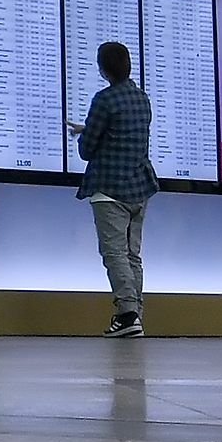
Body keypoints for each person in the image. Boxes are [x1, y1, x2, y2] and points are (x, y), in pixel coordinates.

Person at [72, 40, 155, 338]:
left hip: (109, 188)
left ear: (103, 69)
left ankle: (128, 313)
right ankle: (135, 316)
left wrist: (85, 133)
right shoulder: (142, 98)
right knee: (133, 254)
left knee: (114, 253)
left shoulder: (103, 100)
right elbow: (123, 133)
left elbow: (87, 149)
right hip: (140, 186)